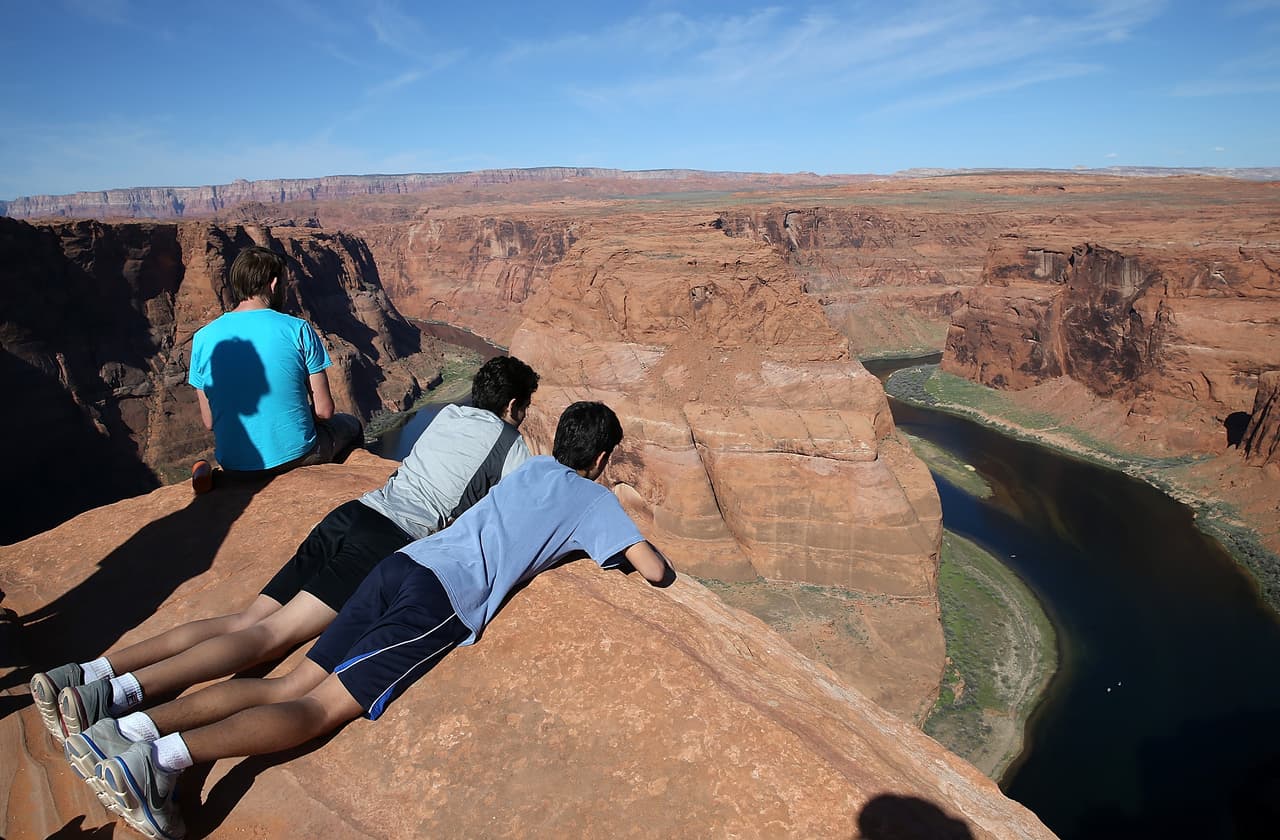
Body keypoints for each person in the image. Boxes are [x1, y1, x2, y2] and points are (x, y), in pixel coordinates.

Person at [83, 401, 673, 839]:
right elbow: (654, 573)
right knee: (316, 710)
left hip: (402, 562)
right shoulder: (596, 501)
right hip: (442, 599)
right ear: (601, 458)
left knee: (287, 684)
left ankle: (134, 731)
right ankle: (157, 764)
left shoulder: (532, 468)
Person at [29, 356, 540, 755]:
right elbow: (522, 509)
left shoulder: (449, 413)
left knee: (243, 621)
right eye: (525, 409)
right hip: (386, 541)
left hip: (352, 514)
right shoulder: (511, 445)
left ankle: (88, 674)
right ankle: (114, 700)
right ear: (514, 405)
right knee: (267, 639)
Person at [188, 244, 362, 478]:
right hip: (298, 456)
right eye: (284, 284)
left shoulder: (202, 337)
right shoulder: (298, 329)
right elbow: (324, 411)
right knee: (351, 425)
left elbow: (210, 421)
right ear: (273, 284)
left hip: (234, 465)